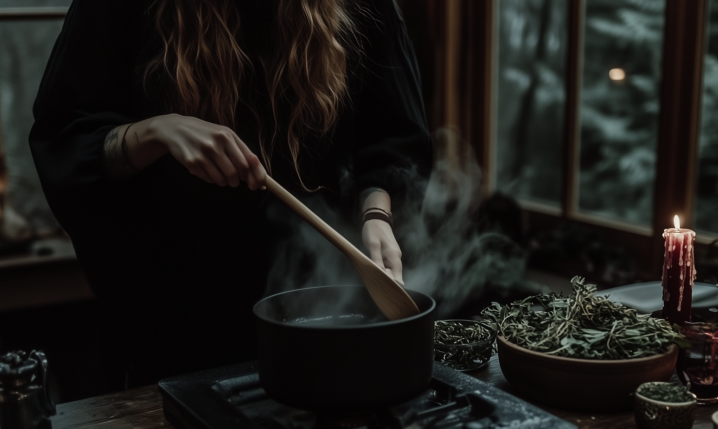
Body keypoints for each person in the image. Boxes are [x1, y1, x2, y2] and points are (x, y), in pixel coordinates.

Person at [30, 0, 431, 386]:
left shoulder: (364, 5)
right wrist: (155, 131)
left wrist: (376, 215)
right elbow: (64, 138)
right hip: (177, 337)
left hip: (324, 325)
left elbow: (394, 137)